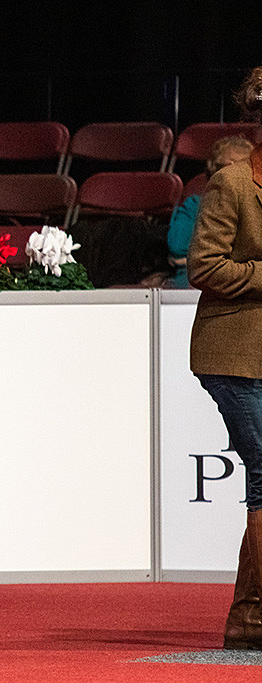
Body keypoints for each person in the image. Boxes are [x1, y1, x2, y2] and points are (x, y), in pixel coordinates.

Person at [188, 65, 262, 650]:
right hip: (234, 350)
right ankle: (250, 619)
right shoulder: (234, 182)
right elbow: (205, 267)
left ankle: (246, 619)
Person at [168, 136, 254, 287]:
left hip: (246, 284)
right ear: (213, 170)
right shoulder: (195, 205)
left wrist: (207, 262)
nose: (235, 174)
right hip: (193, 284)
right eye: (227, 167)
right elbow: (178, 247)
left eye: (245, 167)